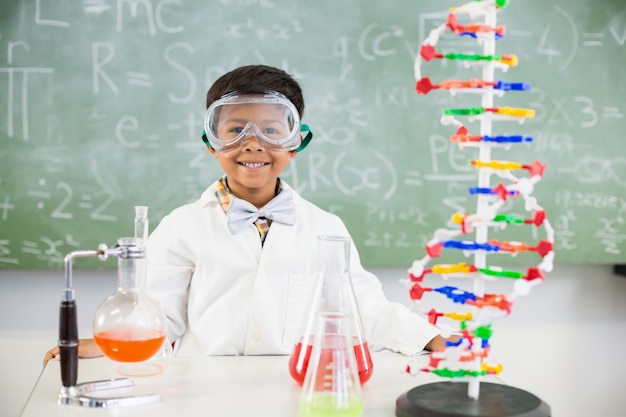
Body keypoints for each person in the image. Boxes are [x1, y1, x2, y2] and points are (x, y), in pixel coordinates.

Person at [43, 64, 447, 365]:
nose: (252, 144)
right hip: (207, 391)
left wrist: (431, 338)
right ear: (211, 143)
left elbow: (365, 310)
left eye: (272, 131)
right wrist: (108, 342)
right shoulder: (181, 227)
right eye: (234, 129)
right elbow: (159, 314)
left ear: (295, 144)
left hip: (295, 387)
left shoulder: (326, 228)